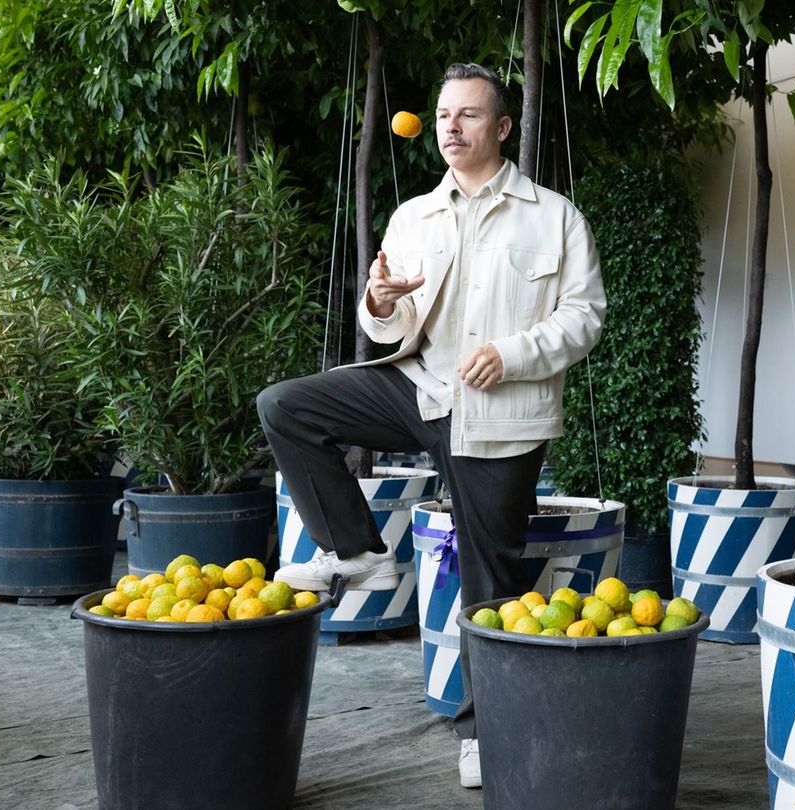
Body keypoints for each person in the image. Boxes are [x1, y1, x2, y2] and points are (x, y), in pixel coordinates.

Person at [256, 62, 606, 789]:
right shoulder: (414, 215)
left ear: (501, 127)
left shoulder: (554, 216)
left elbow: (584, 318)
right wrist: (380, 304)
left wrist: (511, 355)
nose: (451, 126)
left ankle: (486, 732)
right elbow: (390, 326)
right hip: (416, 388)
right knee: (286, 406)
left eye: (469, 114)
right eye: (444, 114)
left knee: (490, 577)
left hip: (498, 411)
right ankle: (357, 551)